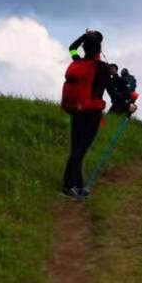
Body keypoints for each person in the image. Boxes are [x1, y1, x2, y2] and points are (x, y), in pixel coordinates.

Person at [59, 29, 116, 199]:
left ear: (85, 47)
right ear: (99, 49)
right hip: (92, 114)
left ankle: (77, 185)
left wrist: (84, 37)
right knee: (80, 151)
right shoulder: (102, 67)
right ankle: (69, 187)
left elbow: (71, 48)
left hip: (77, 111)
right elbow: (112, 93)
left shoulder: (77, 61)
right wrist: (129, 104)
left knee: (76, 149)